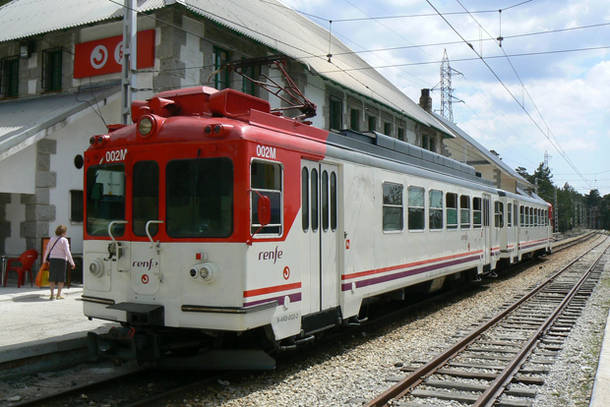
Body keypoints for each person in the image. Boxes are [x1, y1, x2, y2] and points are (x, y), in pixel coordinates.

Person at [43, 225, 75, 300]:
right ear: (63, 232)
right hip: (61, 260)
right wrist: (72, 262)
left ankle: (51, 295)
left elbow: (47, 250)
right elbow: (67, 252)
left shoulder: (52, 239)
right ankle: (58, 295)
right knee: (61, 278)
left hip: (53, 259)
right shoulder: (64, 240)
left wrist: (44, 260)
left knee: (52, 277)